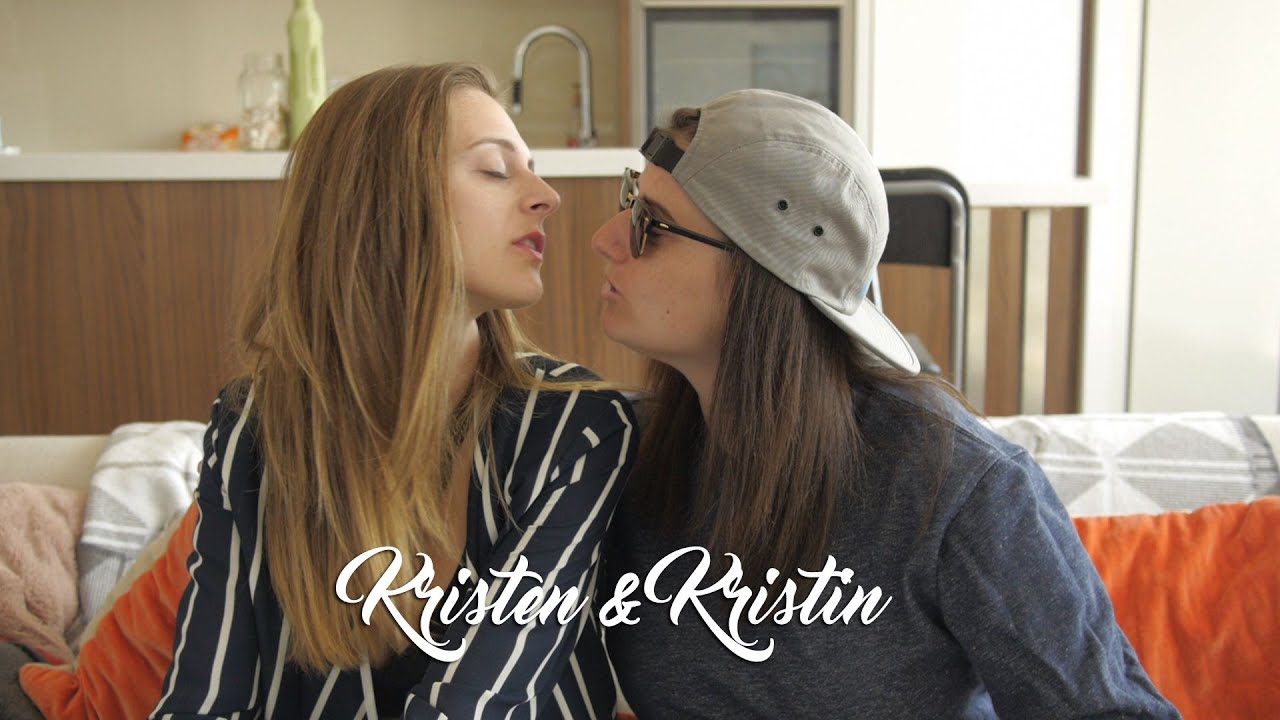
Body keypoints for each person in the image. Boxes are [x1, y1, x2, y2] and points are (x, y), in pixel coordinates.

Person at [594, 89, 1180, 718]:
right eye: (631, 199)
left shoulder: (955, 487)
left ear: (762, 275)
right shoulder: (618, 458)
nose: (606, 239)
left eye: (651, 224)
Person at [150, 63, 637, 719]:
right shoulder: (256, 424)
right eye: (497, 170)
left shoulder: (577, 426)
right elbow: (204, 698)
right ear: (385, 202)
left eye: (533, 169)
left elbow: (475, 705)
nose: (546, 196)